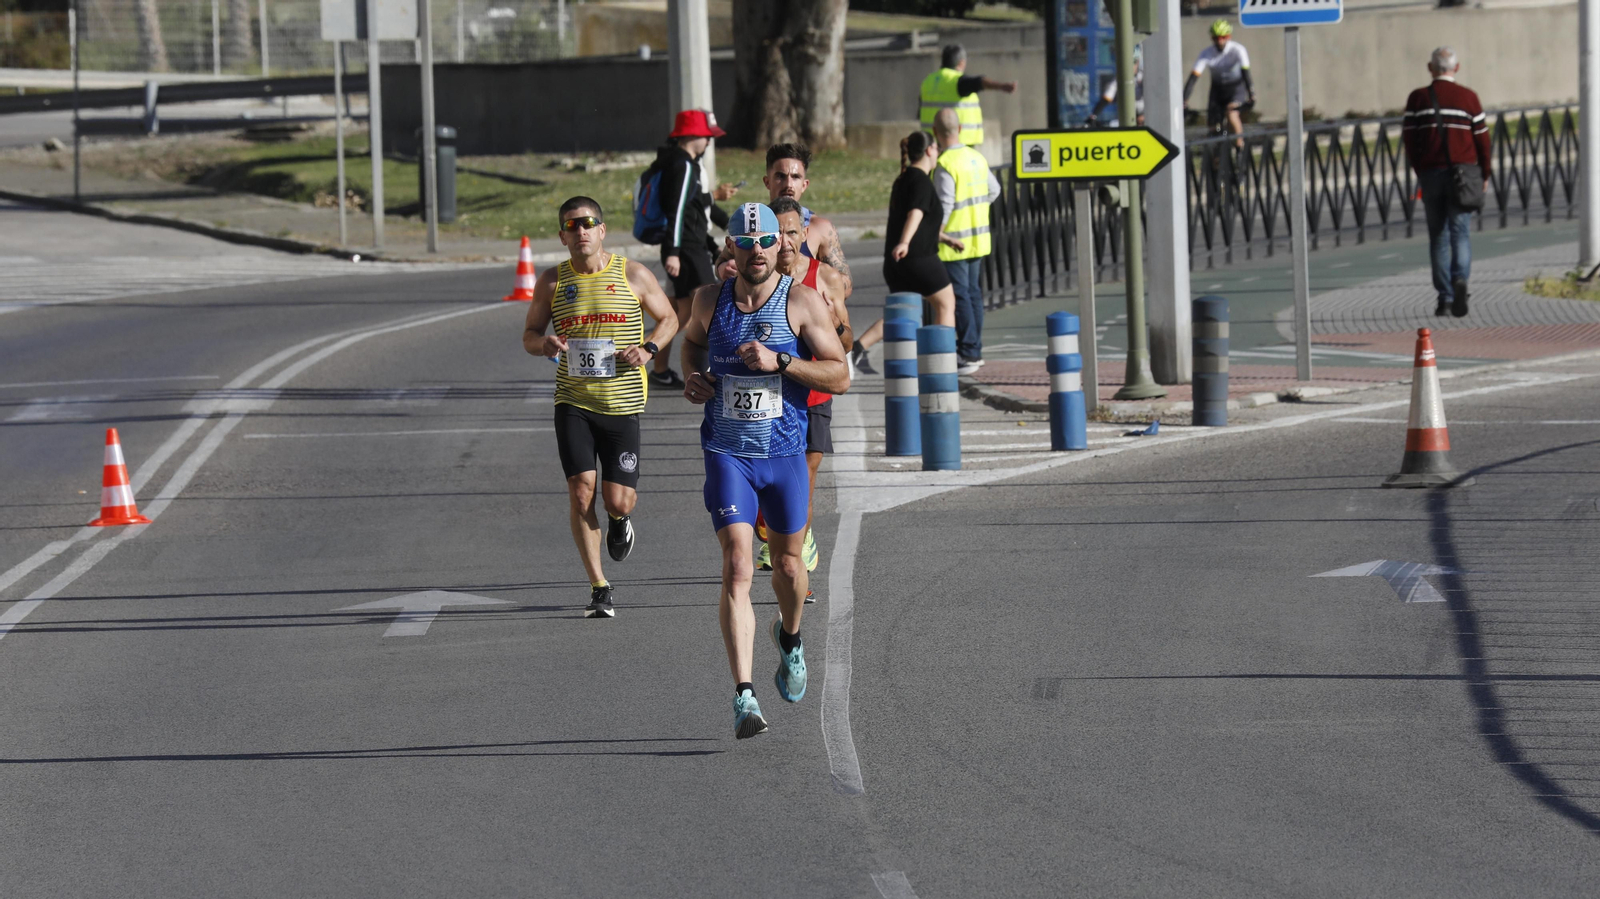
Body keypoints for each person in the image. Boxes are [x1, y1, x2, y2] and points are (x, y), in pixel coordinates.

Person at [679, 202, 850, 739]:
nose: (756, 251)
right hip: (727, 453)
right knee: (736, 565)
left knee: (791, 571)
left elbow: (839, 375)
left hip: (783, 457)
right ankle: (744, 695)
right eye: (745, 242)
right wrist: (692, 378)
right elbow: (689, 345)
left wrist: (783, 363)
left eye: (766, 241)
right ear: (730, 246)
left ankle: (791, 639)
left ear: (781, 246)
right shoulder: (708, 301)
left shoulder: (800, 303)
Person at [522, 196, 679, 619]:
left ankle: (619, 520)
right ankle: (599, 586)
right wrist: (545, 345)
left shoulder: (632, 274)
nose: (580, 231)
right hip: (573, 400)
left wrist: (648, 349)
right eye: (571, 226)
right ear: (561, 236)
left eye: (588, 223)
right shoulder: (553, 282)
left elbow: (669, 319)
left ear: (603, 230)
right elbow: (530, 334)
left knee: (619, 500)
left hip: (622, 403)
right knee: (580, 492)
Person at [753, 196, 853, 594]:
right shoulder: (753, 277)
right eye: (777, 233)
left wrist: (835, 321)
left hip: (811, 399)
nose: (786, 240)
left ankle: (796, 571)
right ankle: (782, 543)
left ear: (804, 234)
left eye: (792, 231)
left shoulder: (825, 278)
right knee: (766, 488)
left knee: (802, 484)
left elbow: (845, 344)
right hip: (763, 401)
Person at [649, 109, 740, 391]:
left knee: (678, 312)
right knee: (703, 307)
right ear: (692, 136)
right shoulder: (684, 165)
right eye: (706, 136)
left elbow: (693, 206)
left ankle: (659, 368)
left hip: (688, 245)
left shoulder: (675, 163)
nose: (709, 142)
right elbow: (677, 211)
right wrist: (674, 251)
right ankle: (650, 355)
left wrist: (728, 222)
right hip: (686, 249)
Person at [1402, 46, 1491, 318]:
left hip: (1431, 175)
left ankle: (1444, 298)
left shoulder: (1418, 99)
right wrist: (1484, 174)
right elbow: (1483, 141)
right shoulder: (1468, 98)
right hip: (1463, 177)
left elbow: (1409, 140)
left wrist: (1420, 169)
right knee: (1460, 233)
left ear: (1431, 68)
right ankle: (1460, 279)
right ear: (1457, 67)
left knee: (1438, 237)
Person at [713, 143, 854, 298]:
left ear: (804, 185)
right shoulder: (754, 224)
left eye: (795, 177)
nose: (788, 185)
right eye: (780, 176)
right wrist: (723, 268)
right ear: (767, 182)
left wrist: (814, 296)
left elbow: (845, 285)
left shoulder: (820, 228)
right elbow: (722, 261)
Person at [931, 108, 1002, 374]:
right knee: (973, 294)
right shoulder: (976, 157)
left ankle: (969, 353)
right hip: (978, 238)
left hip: (954, 242)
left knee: (961, 297)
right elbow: (994, 190)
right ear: (959, 129)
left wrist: (938, 232)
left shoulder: (946, 164)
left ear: (936, 133)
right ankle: (975, 349)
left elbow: (945, 205)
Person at [883, 130, 962, 329]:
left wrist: (946, 239)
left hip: (896, 262)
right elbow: (915, 213)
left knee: (903, 314)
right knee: (946, 304)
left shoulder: (902, 179)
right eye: (936, 148)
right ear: (929, 150)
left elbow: (918, 224)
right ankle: (941, 358)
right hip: (920, 259)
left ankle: (858, 348)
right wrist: (905, 243)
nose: (938, 152)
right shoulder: (922, 181)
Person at [918, 43, 1017, 148]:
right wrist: (1002, 86)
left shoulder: (928, 81)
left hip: (931, 143)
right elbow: (979, 82)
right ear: (961, 62)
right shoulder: (956, 80)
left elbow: (920, 110)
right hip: (957, 142)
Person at [1183, 20, 1254, 147]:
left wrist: (1251, 94)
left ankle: (1239, 146)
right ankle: (1215, 159)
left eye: (1224, 37)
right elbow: (1193, 78)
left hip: (1235, 88)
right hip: (1217, 89)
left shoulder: (1238, 50)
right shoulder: (1206, 53)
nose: (1220, 41)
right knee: (1212, 126)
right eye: (1216, 38)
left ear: (1229, 37)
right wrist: (1184, 100)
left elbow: (1246, 73)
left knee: (1232, 114)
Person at [1087, 45, 1143, 127]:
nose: (1132, 65)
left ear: (1138, 62)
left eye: (1134, 62)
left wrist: (1143, 115)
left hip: (1146, 115)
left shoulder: (1143, 75)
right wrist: (1093, 115)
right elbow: (1106, 98)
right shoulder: (1120, 78)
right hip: (1129, 117)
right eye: (1128, 62)